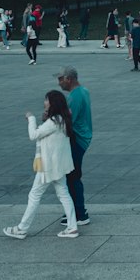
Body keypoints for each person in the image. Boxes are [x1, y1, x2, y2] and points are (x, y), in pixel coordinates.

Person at [4, 90, 79, 239]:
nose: (44, 102)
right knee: (64, 194)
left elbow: (34, 135)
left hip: (48, 166)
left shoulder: (54, 121)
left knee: (35, 195)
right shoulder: (62, 119)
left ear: (52, 103)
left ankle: (22, 228)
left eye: (46, 100)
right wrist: (45, 119)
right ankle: (72, 227)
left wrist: (31, 118)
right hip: (58, 165)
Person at [58, 66, 93, 226]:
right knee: (73, 176)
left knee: (72, 176)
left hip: (77, 139)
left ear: (69, 79)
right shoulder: (82, 91)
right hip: (82, 138)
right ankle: (76, 212)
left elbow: (68, 120)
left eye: (61, 79)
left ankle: (79, 213)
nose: (59, 83)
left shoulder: (75, 96)